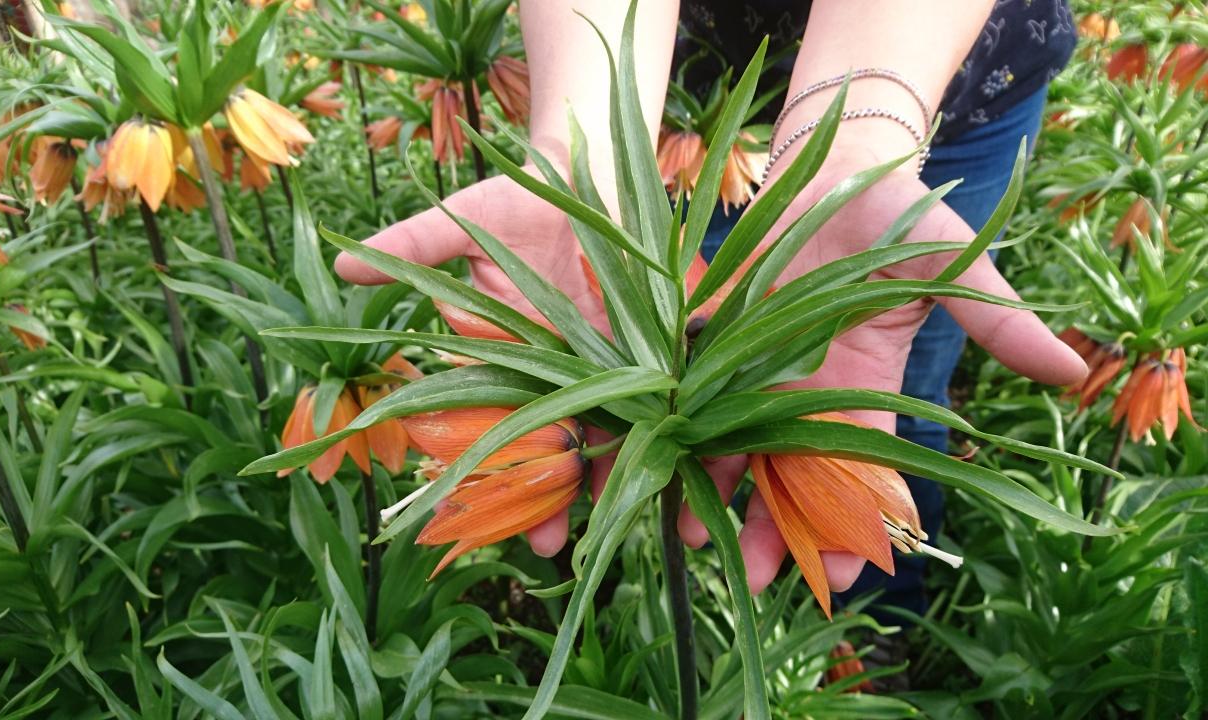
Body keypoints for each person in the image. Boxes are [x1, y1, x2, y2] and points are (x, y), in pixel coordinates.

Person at [334, 1, 1087, 607]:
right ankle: (860, 588)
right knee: (713, 327)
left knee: (899, 380)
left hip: (970, 80)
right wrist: (584, 160)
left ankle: (888, 608)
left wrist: (847, 161)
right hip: (696, 96)